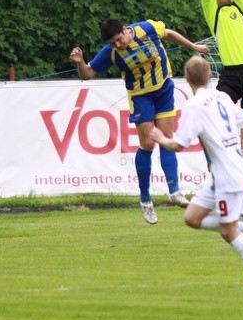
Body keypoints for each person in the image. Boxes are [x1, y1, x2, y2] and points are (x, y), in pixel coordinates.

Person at [150, 56, 243, 288]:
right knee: (192, 218)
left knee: (227, 231)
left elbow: (179, 144)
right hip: (224, 173)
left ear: (187, 79)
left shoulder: (193, 105)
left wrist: (160, 137)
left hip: (229, 177)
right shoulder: (222, 97)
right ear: (210, 77)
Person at [70, 18, 209, 225]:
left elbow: (169, 33)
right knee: (147, 143)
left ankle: (174, 191)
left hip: (163, 89)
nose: (117, 45)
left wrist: (193, 46)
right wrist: (80, 62)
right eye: (113, 43)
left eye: (118, 39)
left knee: (167, 138)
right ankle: (145, 199)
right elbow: (88, 74)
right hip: (140, 96)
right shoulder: (111, 52)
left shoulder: (147, 29)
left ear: (126, 30)